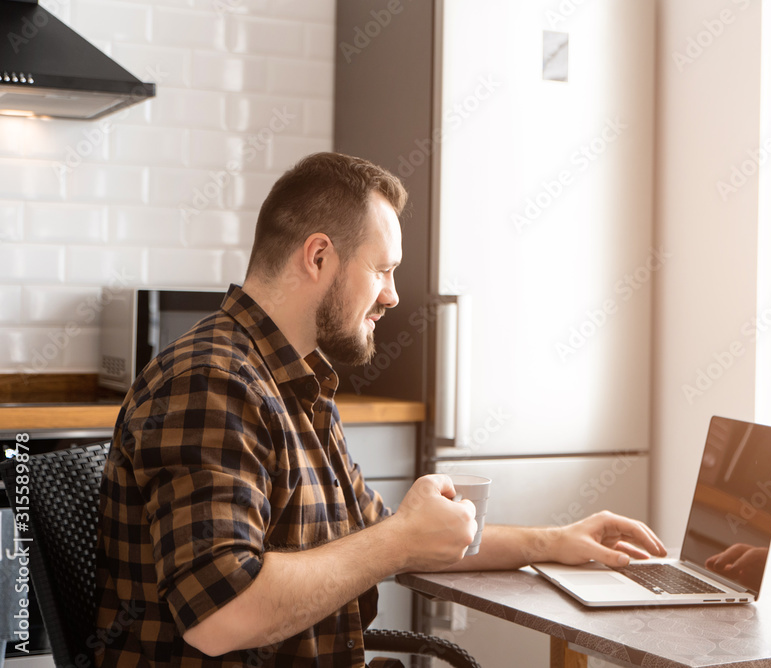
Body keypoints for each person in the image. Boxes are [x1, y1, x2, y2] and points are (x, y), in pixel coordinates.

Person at [94, 152, 666, 667]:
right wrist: (400, 542)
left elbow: (383, 532)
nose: (393, 295)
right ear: (318, 256)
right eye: (383, 269)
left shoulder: (297, 380)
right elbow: (221, 616)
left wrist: (553, 541)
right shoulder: (212, 382)